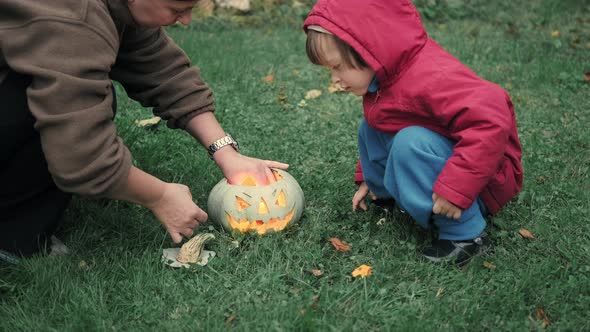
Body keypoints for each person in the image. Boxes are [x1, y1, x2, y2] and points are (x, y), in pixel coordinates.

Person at [0, 0, 288, 260]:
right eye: (177, 9)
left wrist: (225, 151)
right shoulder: (75, 19)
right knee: (58, 105)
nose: (186, 20)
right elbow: (80, 153)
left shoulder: (118, 7)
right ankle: (13, 236)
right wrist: (158, 196)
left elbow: (163, 71)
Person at [303, 0, 523, 265]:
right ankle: (385, 193)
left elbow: (492, 116)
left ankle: (465, 236)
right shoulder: (386, 75)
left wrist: (457, 187)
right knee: (371, 126)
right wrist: (369, 178)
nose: (334, 80)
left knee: (411, 142)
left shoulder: (431, 76)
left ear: (368, 49)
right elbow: (385, 123)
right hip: (449, 157)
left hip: (484, 180)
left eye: (337, 67)